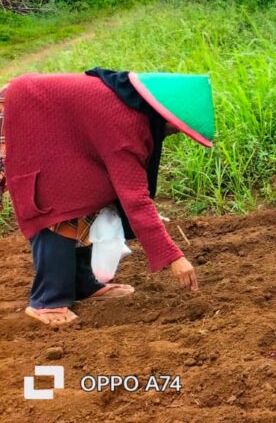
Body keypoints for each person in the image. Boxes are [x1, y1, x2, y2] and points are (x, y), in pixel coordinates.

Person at [1, 68, 214, 325]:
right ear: (163, 113)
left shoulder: (135, 105)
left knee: (89, 190)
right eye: (176, 127)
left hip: (52, 125)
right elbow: (135, 198)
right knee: (55, 204)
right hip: (21, 114)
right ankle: (47, 301)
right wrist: (173, 257)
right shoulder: (125, 125)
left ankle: (82, 285)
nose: (173, 133)